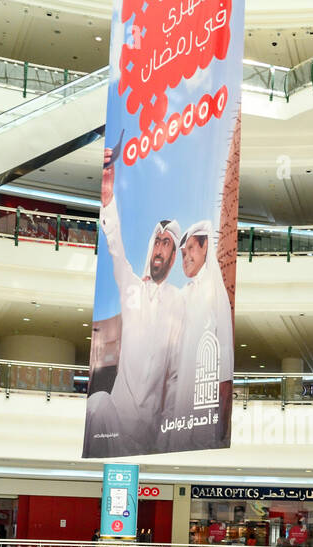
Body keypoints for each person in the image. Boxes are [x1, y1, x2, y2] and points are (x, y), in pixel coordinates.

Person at [83, 146, 185, 456]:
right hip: (118, 421)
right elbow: (115, 247)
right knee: (96, 403)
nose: (159, 248)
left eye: (166, 243)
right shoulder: (133, 290)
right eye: (157, 240)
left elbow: (177, 370)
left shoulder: (177, 301)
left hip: (151, 431)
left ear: (173, 254)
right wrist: (108, 197)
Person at [162, 219, 233, 451]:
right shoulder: (185, 294)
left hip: (205, 402)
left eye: (191, 248)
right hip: (178, 404)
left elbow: (224, 350)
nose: (186, 258)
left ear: (205, 247)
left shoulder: (214, 290)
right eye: (182, 254)